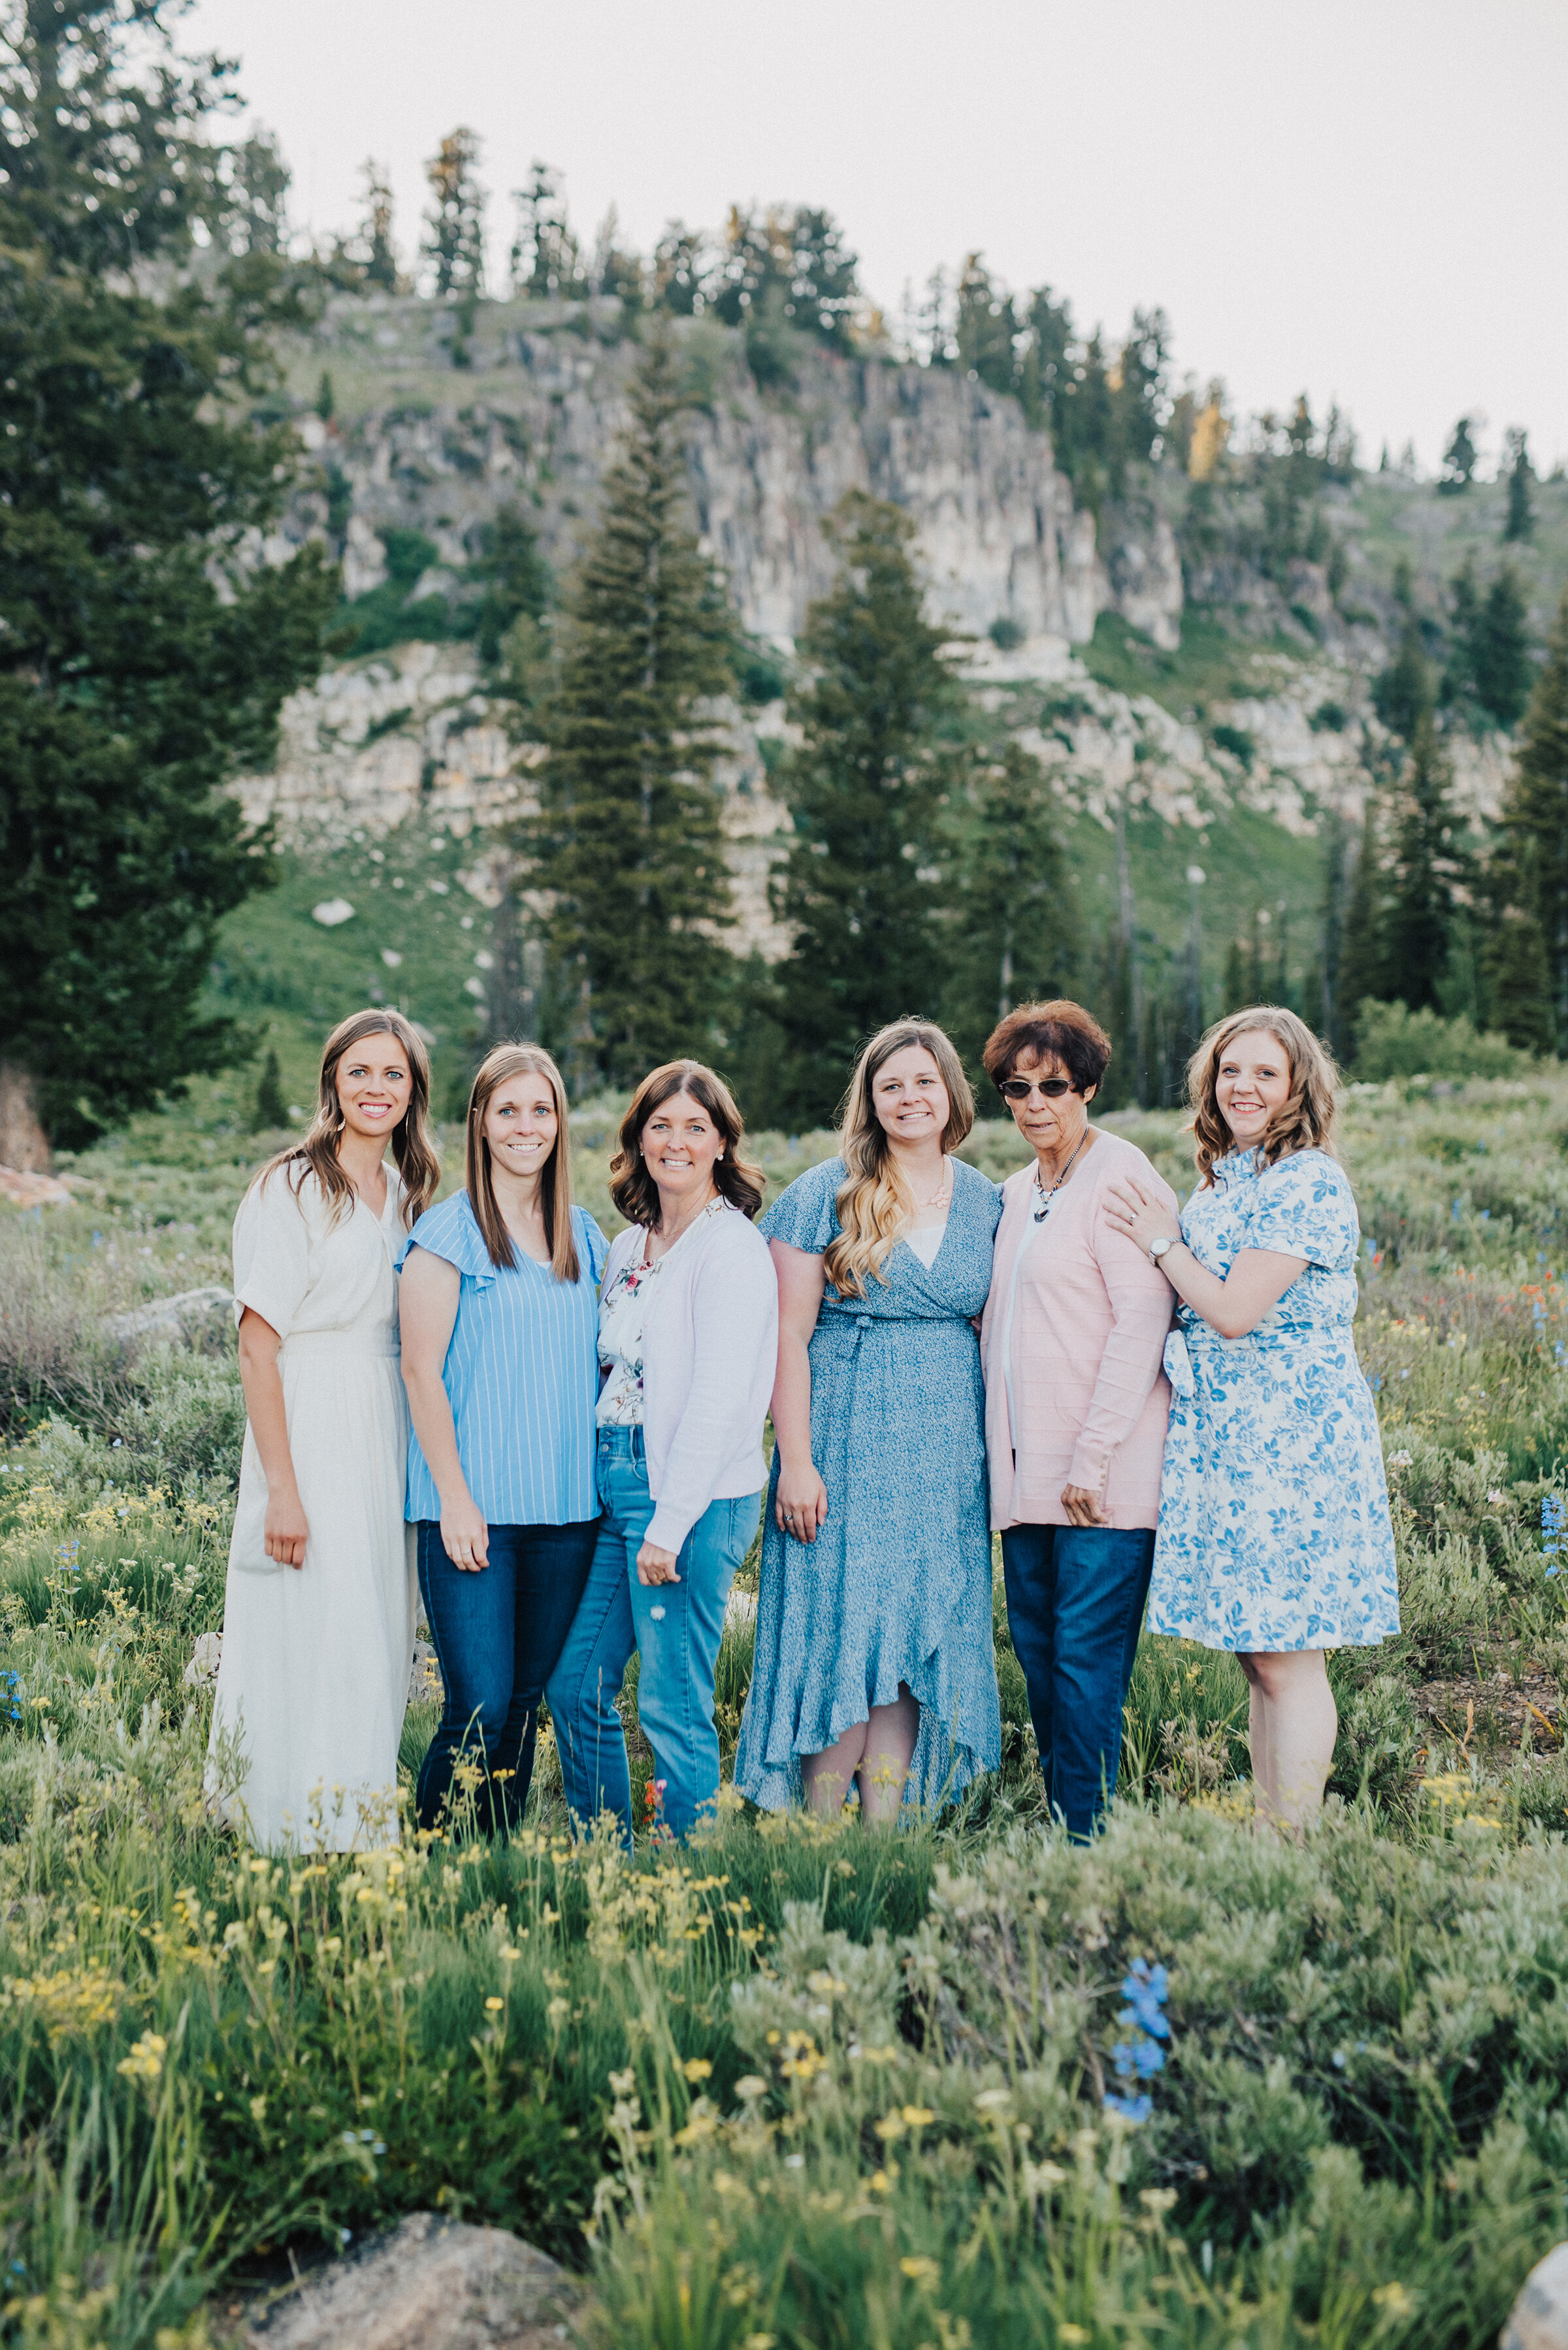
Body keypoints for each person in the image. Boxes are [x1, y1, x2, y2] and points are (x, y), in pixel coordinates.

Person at [1105, 1006, 1400, 1829]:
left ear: (1298, 1085)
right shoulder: (1230, 1174)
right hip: (1228, 1441)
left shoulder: (1307, 1179)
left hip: (1291, 1439)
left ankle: (1293, 1842)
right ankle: (1273, 1831)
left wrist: (1164, 1244)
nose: (1245, 1086)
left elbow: (1235, 1309)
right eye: (1232, 1070)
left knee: (1286, 1654)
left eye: (1266, 1073)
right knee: (1256, 1653)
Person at [734, 1018, 1002, 1825]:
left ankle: (887, 1838)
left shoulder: (988, 1195)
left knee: (917, 1643)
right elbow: (787, 1333)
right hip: (846, 1445)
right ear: (872, 1099)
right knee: (841, 1632)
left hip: (948, 1453)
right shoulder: (828, 1188)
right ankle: (817, 1833)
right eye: (892, 1085)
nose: (909, 1097)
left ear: (950, 1091)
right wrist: (798, 1461)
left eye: (923, 1081)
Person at [209, 1010, 438, 1851]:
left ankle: (356, 1815)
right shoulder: (291, 1185)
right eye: (361, 1072)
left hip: (385, 1420)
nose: (377, 1089)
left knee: (375, 1622)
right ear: (333, 1081)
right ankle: (284, 1820)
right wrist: (283, 1488)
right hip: (309, 1416)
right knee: (315, 1616)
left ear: (413, 1090)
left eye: (394, 1074)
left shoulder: (409, 1195)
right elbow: (257, 1343)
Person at [547, 1061, 777, 1844]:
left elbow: (716, 1398)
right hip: (619, 1482)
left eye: (695, 1127)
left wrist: (670, 1522)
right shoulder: (627, 1248)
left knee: (673, 1700)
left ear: (721, 1143)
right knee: (576, 1684)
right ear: (639, 1139)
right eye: (661, 1125)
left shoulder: (731, 1247)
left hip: (691, 1494)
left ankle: (691, 1877)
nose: (676, 1141)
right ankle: (605, 1854)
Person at [979, 1001, 1179, 1842]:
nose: (1035, 1103)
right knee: (1038, 1653)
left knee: (1085, 1663)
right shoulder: (1015, 1190)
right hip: (1026, 1474)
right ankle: (1070, 1824)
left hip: (1103, 1477)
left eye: (1053, 1085)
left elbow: (1143, 1321)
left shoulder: (1123, 1177)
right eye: (1016, 1087)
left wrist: (1093, 1457)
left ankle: (1085, 1843)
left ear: (1088, 1086)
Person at [397, 1045, 606, 1837]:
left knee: (523, 1705)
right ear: (479, 1122)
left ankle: (494, 1861)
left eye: (542, 1109)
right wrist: (454, 1499)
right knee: (477, 1705)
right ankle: (433, 1858)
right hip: (473, 1513)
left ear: (560, 1122)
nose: (526, 1126)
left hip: (566, 1515)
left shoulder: (582, 1235)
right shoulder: (446, 1234)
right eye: (508, 1110)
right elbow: (421, 1373)